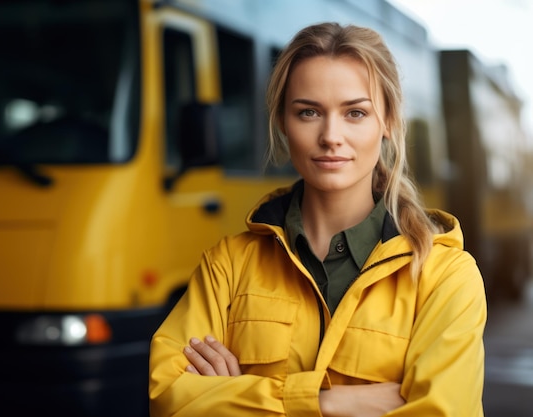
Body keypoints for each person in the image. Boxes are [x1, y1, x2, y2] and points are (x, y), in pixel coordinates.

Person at [149, 22, 486, 417]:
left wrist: (234, 396)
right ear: (282, 123)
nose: (330, 135)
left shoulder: (445, 276)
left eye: (355, 113)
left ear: (389, 123)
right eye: (308, 112)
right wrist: (325, 402)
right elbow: (168, 398)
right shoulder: (228, 266)